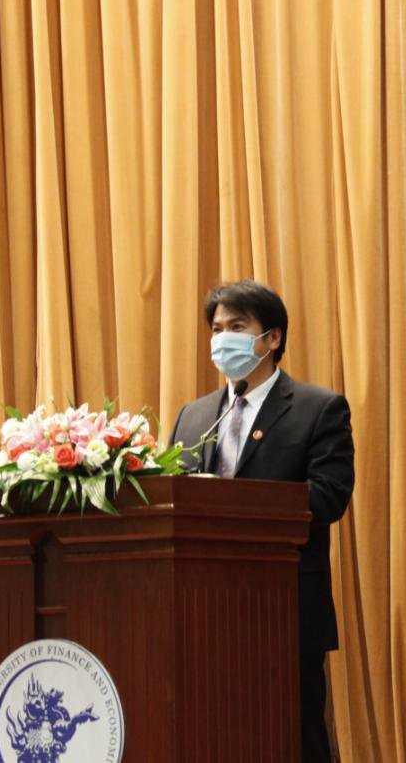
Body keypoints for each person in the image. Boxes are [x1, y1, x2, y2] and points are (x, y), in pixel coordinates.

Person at [169, 280, 355, 763]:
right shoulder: (193, 417)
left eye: (236, 327)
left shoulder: (318, 409)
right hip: (201, 612)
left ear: (271, 338)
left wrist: (235, 502)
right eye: (216, 329)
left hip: (283, 609)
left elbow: (330, 497)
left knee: (294, 739)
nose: (222, 339)